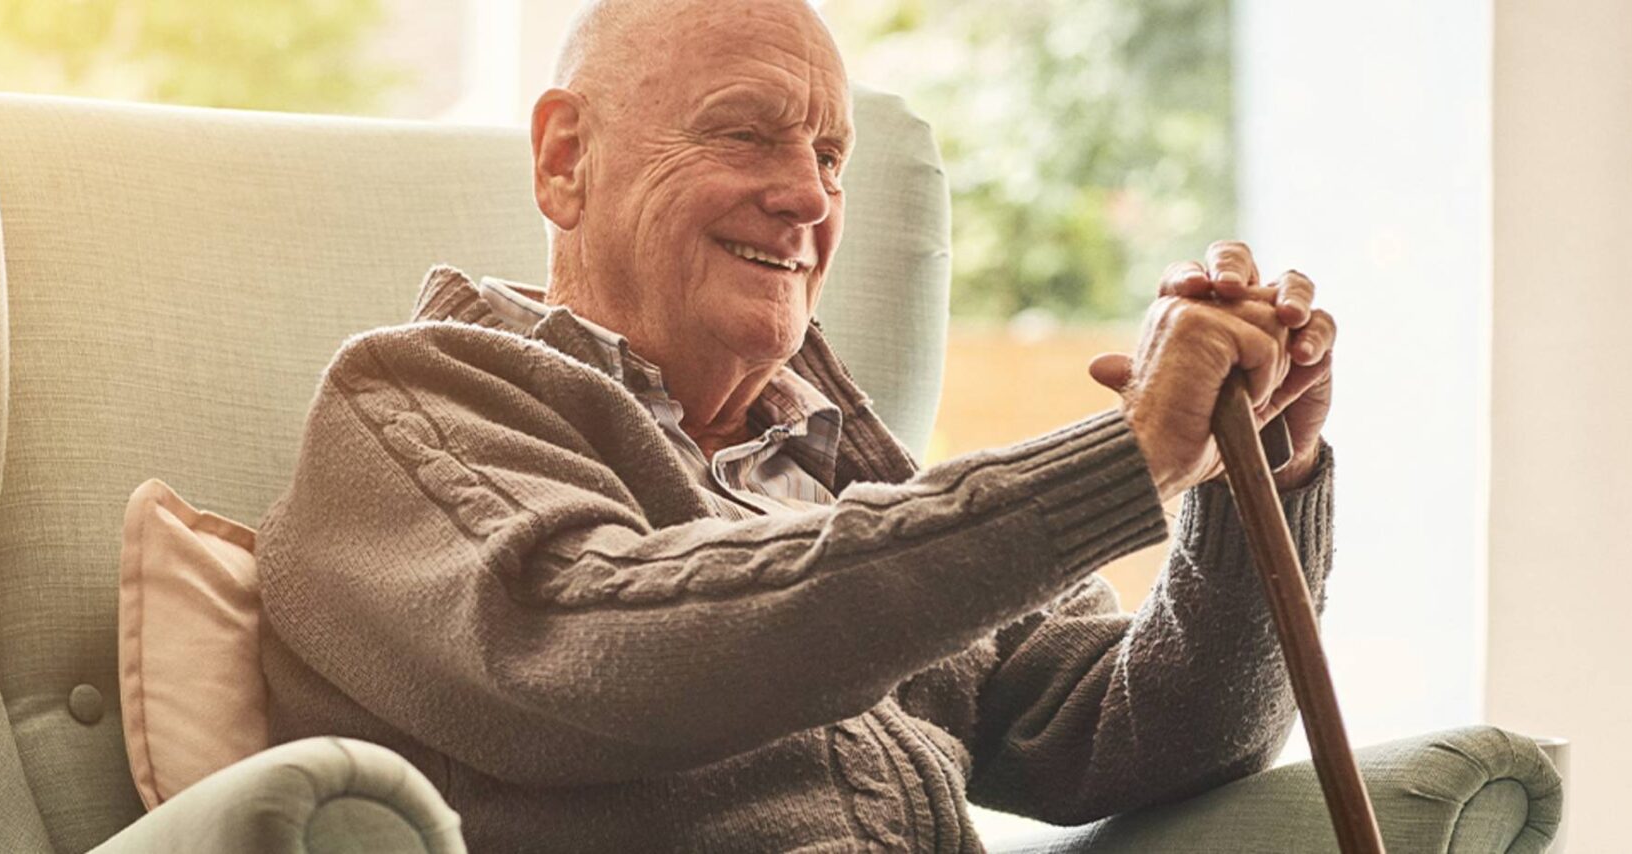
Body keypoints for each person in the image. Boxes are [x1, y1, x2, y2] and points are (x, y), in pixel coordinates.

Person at [256, 0, 1340, 850]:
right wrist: (1120, 460)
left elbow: (1150, 735)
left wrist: (1257, 482)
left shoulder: (848, 476)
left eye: (829, 156)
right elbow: (606, 653)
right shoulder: (418, 403)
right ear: (563, 158)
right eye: (744, 133)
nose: (810, 200)